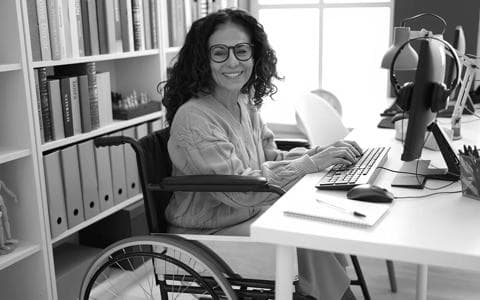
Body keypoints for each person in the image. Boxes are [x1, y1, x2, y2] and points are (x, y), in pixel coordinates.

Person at [161, 8, 362, 300]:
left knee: (315, 222)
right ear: (202, 60)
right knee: (301, 233)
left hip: (247, 214)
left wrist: (323, 153)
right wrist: (311, 164)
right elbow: (240, 191)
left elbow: (272, 158)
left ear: (254, 56)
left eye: (241, 51)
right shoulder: (194, 117)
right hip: (209, 231)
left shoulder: (244, 103)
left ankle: (324, 293)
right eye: (219, 52)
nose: (233, 62)